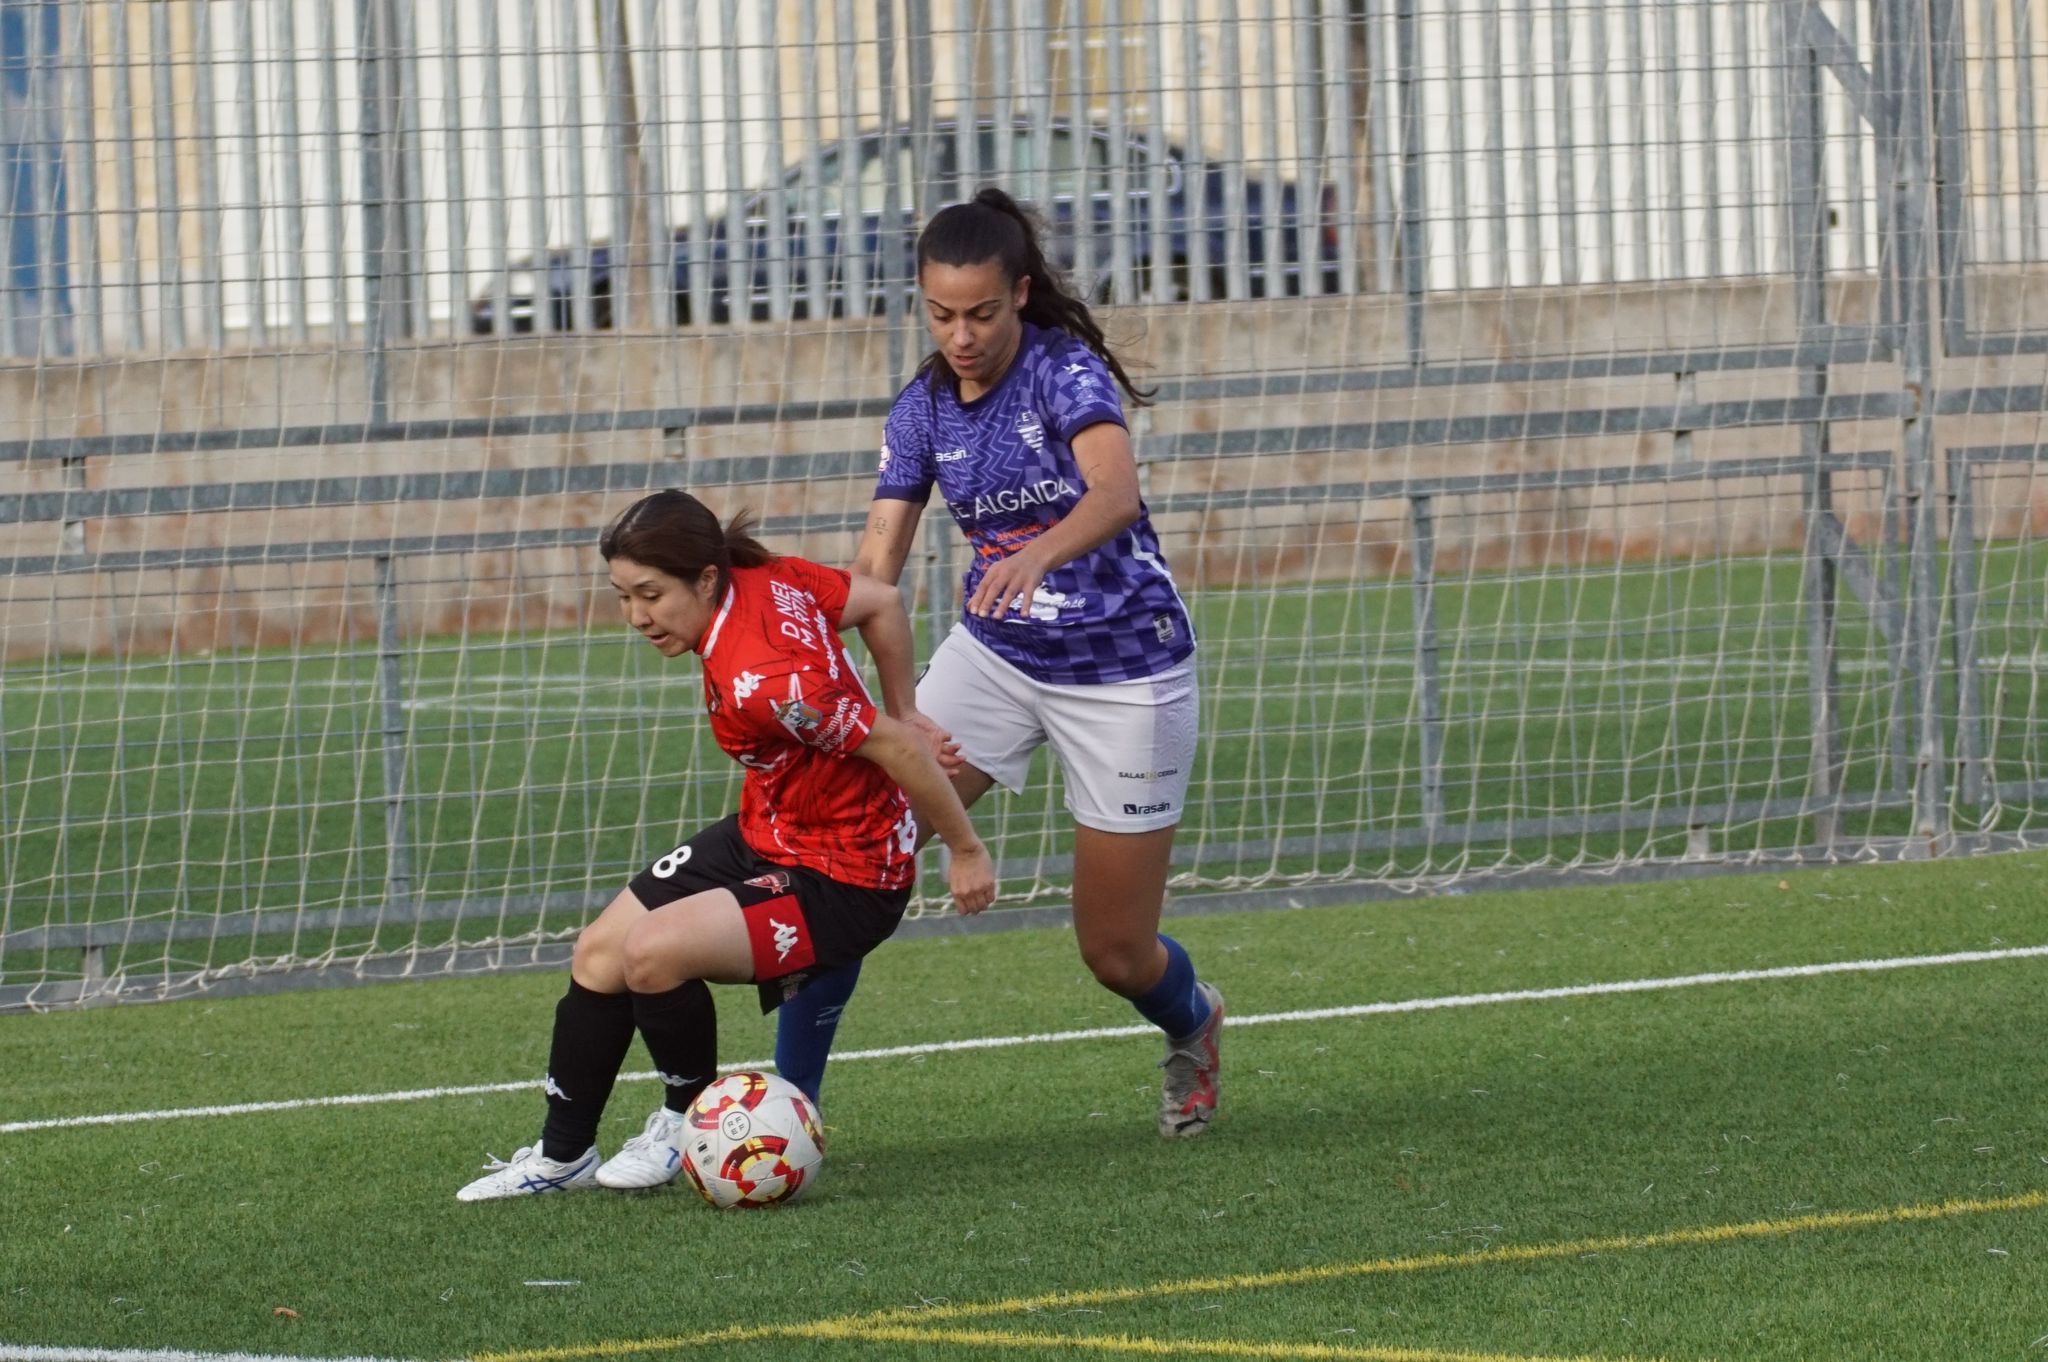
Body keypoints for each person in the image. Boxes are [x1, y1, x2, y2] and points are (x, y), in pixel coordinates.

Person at [774, 186, 1223, 1139]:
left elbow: (1115, 494)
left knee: (1114, 952)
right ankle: (788, 1107)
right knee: (852, 853)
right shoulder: (923, 409)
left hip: (1125, 674)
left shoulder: (1065, 375)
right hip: (997, 658)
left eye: (980, 313)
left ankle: (1193, 1020)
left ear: (1020, 294)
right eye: (941, 314)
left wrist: (1032, 551)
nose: (961, 334)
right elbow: (874, 570)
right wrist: (833, 667)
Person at [456, 489, 995, 1200]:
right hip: (768, 832)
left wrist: (963, 849)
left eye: (651, 594)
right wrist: (906, 703)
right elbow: (880, 603)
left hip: (846, 876)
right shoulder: (767, 579)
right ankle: (562, 1158)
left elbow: (896, 749)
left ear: (705, 578)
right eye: (624, 597)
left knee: (651, 954)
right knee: (598, 952)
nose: (638, 617)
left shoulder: (766, 680)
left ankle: (684, 1125)